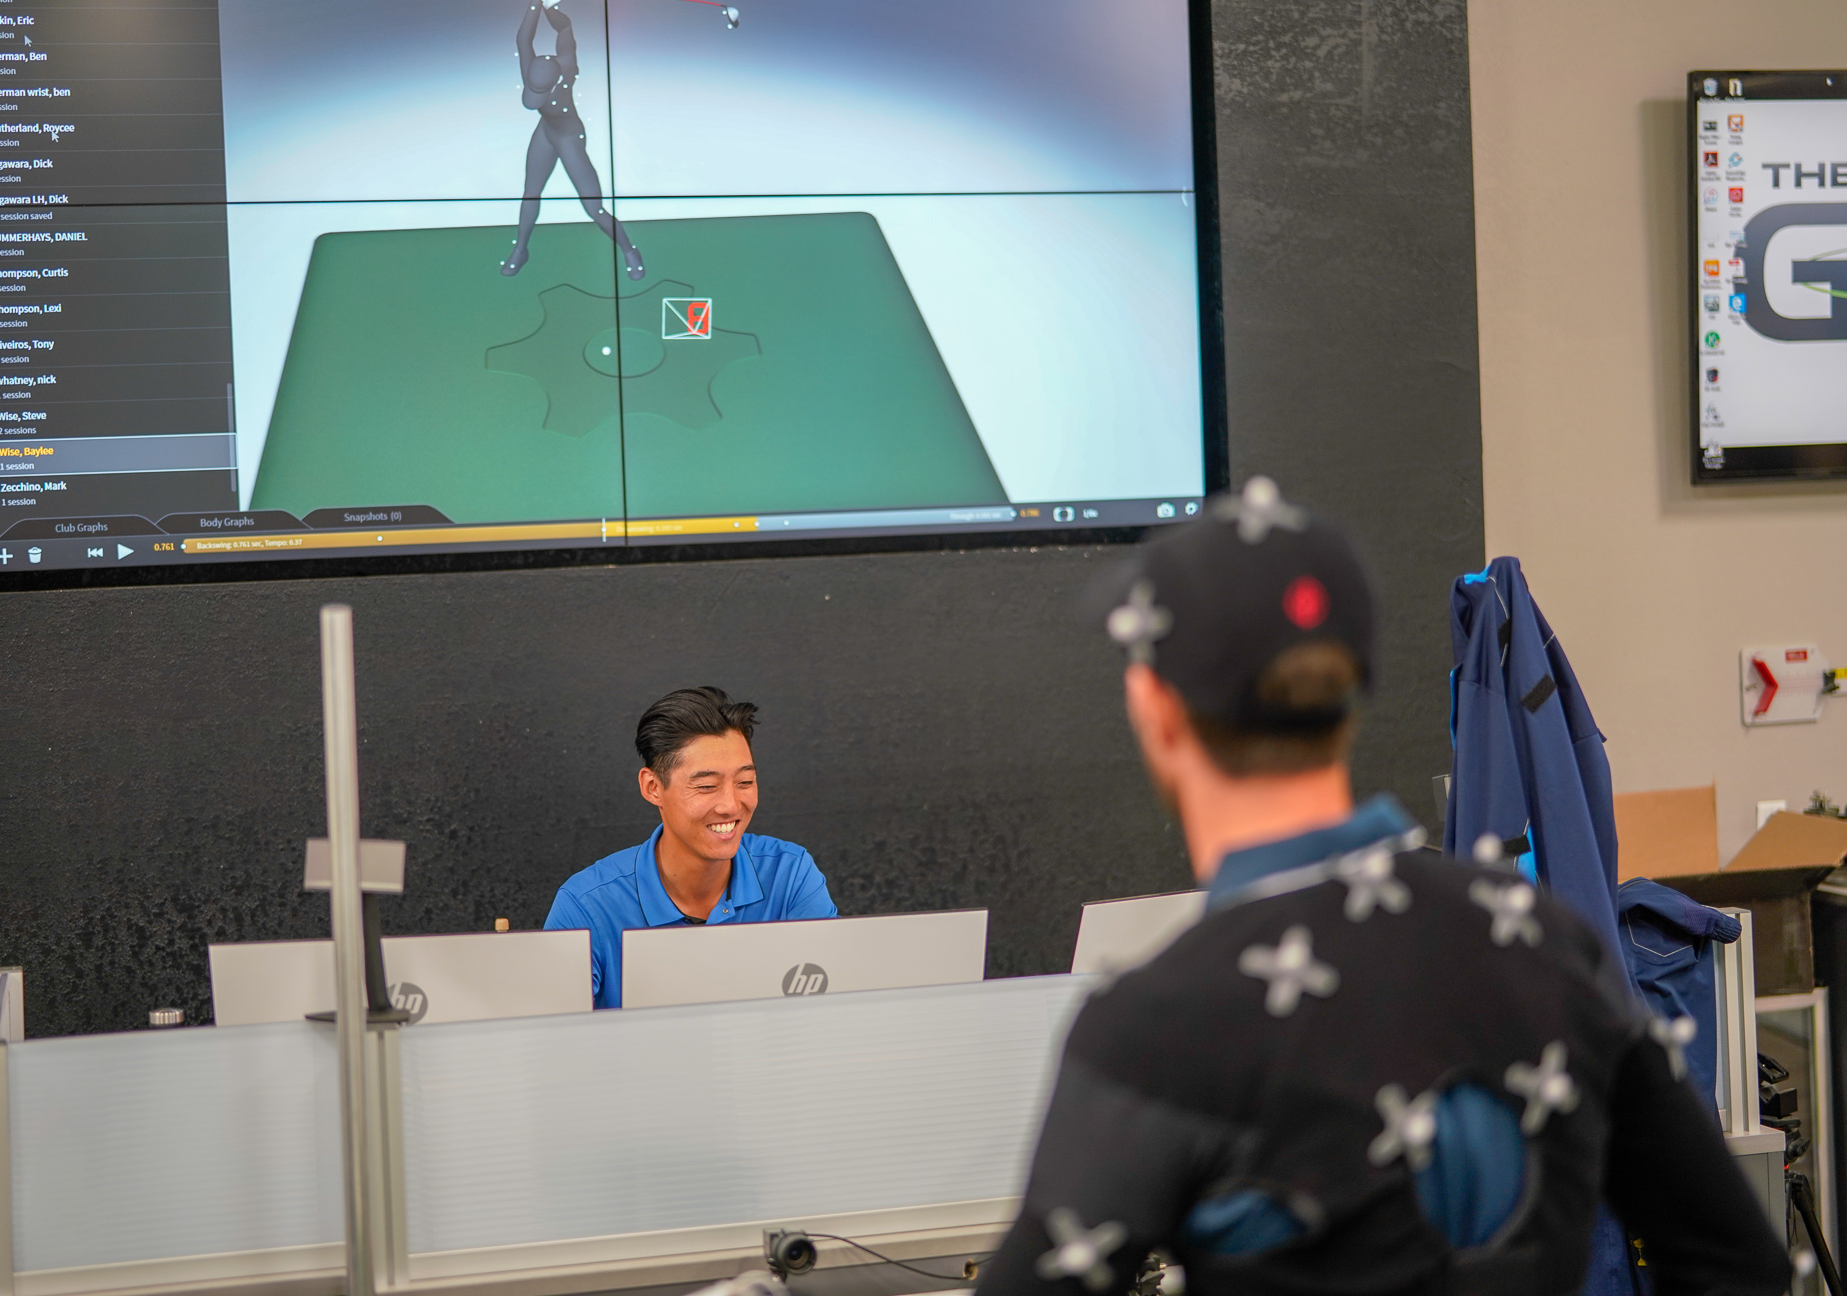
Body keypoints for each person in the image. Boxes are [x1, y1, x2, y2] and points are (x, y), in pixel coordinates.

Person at [976, 478, 1788, 1295]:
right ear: (1352, 698)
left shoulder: (1156, 1027)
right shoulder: (1550, 949)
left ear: (1154, 710)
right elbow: (1740, 1263)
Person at [545, 687, 835, 1008]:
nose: (730, 805)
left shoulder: (790, 874)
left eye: (745, 782)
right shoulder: (586, 906)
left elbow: (834, 998)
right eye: (707, 786)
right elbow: (553, 1031)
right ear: (653, 787)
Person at [501, 0, 644, 281]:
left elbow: (565, 30)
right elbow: (523, 38)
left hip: (569, 139)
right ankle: (521, 250)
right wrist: (540, 0)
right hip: (545, 133)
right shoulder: (531, 71)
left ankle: (630, 250)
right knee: (530, 194)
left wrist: (551, 9)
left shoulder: (566, 70)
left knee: (594, 208)